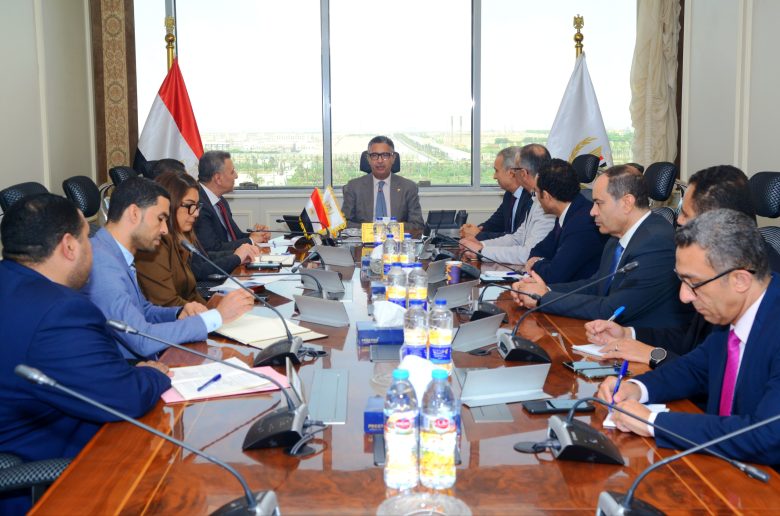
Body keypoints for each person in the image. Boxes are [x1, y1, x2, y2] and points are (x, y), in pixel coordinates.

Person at [0, 194, 170, 513]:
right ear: (69, 246)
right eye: (87, 238)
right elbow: (125, 397)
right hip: (48, 483)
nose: (92, 248)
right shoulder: (60, 311)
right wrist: (153, 374)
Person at [598, 209, 780, 466]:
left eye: (693, 283)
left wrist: (653, 422)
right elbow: (695, 369)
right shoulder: (731, 310)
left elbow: (768, 437)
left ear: (740, 280)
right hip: (722, 466)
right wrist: (637, 388)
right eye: (680, 280)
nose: (684, 296)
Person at [585, 165, 780, 368]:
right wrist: (629, 334)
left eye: (686, 213)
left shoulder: (764, 284)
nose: (678, 220)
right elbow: (692, 340)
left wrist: (655, 355)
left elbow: (714, 374)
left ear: (717, 220)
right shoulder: (717, 262)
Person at [84, 177, 254, 359]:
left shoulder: (114, 252)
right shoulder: (103, 264)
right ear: (134, 213)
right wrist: (216, 317)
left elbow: (144, 310)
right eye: (160, 219)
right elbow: (141, 339)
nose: (165, 229)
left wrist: (179, 313)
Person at [512, 165, 690, 328]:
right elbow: (596, 285)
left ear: (627, 203)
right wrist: (542, 289)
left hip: (646, 341)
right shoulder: (616, 237)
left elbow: (611, 309)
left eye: (599, 203)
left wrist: (544, 298)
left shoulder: (655, 242)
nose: (592, 212)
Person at [135, 171, 258, 306]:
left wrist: (213, 308)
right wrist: (213, 313)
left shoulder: (183, 237)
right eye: (189, 205)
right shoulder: (153, 244)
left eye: (197, 206)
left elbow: (192, 291)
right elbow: (168, 304)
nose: (196, 213)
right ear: (169, 205)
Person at [459, 145, 556, 264]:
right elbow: (516, 238)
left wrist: (481, 251)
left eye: (516, 169)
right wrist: (481, 245)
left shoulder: (547, 202)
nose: (513, 173)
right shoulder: (535, 197)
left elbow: (529, 254)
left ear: (523, 173)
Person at [524, 158, 607, 283]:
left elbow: (554, 275)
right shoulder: (570, 211)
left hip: (576, 291)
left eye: (536, 192)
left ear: (546, 196)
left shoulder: (582, 224)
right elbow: (539, 250)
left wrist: (536, 263)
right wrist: (541, 261)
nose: (536, 198)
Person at [194, 150, 271, 252]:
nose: (236, 175)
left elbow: (235, 237)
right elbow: (212, 249)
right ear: (218, 178)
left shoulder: (220, 201)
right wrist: (251, 240)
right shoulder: (198, 204)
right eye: (232, 172)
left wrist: (257, 235)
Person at [341, 135, 424, 229]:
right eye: (374, 156)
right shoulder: (353, 187)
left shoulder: (408, 187)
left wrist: (391, 228)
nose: (380, 161)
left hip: (397, 238)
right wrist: (373, 229)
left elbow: (417, 225)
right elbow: (344, 224)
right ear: (368, 159)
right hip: (364, 238)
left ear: (393, 158)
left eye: (385, 155)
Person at [459, 146, 535, 241]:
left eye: (496, 171)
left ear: (511, 173)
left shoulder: (531, 198)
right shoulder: (509, 195)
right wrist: (474, 230)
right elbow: (495, 223)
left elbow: (517, 238)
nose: (494, 176)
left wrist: (478, 234)